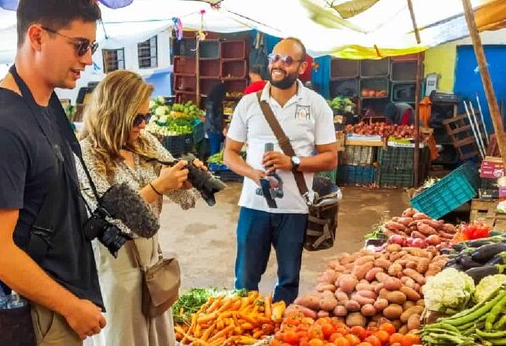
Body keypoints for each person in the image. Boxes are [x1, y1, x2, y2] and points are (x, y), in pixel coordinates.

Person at [0, 0, 106, 345]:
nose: (88, 59)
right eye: (79, 46)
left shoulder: (45, 102)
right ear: (38, 36)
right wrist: (71, 307)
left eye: (91, 46)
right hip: (33, 316)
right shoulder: (1, 126)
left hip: (56, 304)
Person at [77, 70, 203, 346]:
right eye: (137, 118)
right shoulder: (86, 154)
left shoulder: (144, 142)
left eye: (146, 117)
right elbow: (106, 217)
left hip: (151, 253)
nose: (143, 125)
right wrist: (159, 186)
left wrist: (187, 181)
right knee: (123, 335)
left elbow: (184, 200)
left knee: (158, 332)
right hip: (115, 257)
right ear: (113, 112)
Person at [223, 37, 338, 304]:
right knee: (245, 279)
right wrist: (252, 173)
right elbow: (230, 152)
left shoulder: (316, 104)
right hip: (254, 206)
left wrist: (293, 162)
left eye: (288, 61)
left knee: (288, 280)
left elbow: (330, 158)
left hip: (295, 208)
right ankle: (245, 329)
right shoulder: (249, 103)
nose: (278, 65)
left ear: (302, 67)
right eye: (275, 57)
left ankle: (281, 330)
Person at [204, 81, 226, 156]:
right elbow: (213, 118)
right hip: (213, 129)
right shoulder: (213, 103)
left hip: (212, 129)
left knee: (215, 149)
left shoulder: (212, 101)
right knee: (215, 151)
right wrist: (221, 128)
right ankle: (212, 166)